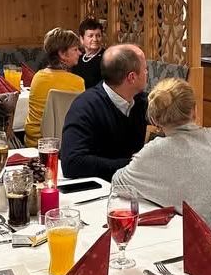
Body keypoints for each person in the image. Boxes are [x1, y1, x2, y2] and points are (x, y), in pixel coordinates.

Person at [112, 79, 211, 246]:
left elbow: (119, 184)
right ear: (194, 111)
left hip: (198, 252)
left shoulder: (156, 152)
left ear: (154, 120)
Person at [60, 44, 148, 180]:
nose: (147, 73)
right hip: (98, 191)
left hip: (133, 185)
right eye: (145, 69)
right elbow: (72, 163)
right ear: (131, 77)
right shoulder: (85, 106)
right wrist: (132, 166)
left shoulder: (141, 101)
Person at [24, 28, 84, 147]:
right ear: (62, 54)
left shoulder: (38, 77)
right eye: (75, 49)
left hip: (33, 143)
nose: (80, 53)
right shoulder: (77, 82)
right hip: (64, 145)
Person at [71, 18, 105, 89]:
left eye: (98, 35)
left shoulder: (107, 58)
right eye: (90, 36)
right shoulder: (78, 57)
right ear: (81, 39)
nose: (95, 39)